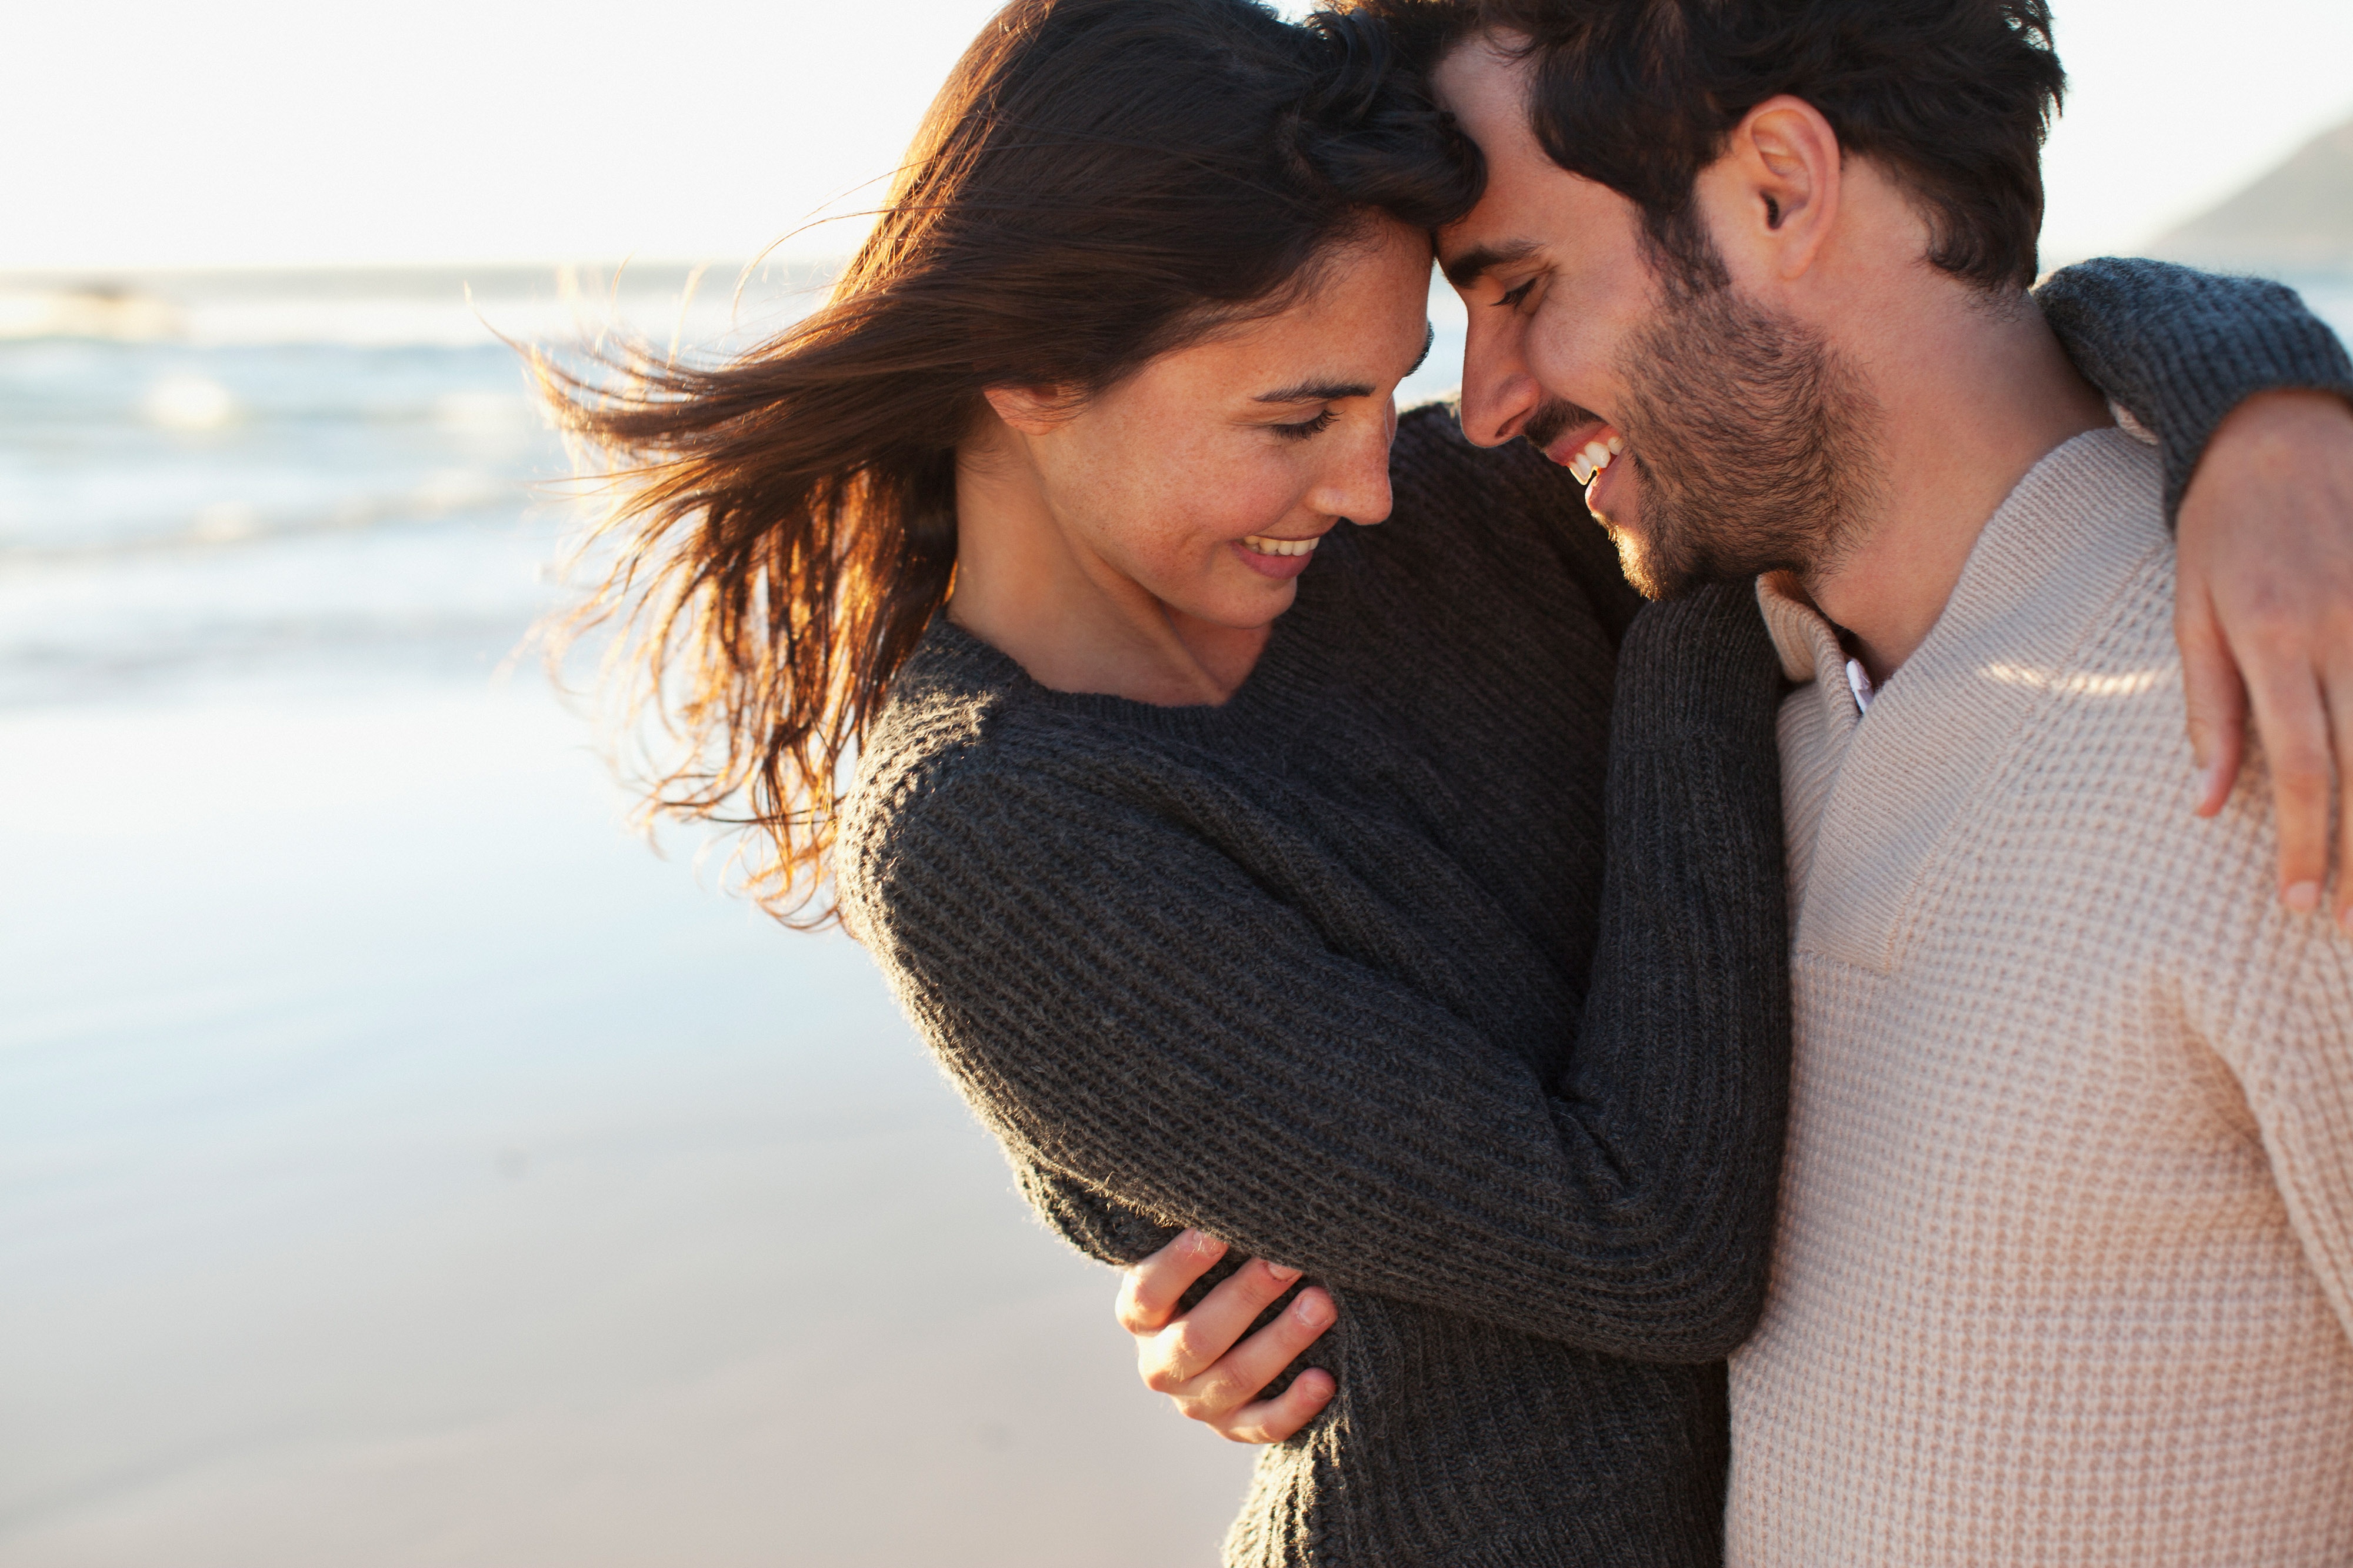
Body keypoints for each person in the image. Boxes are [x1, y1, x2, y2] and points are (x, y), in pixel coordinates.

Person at [541, 1, 2353, 1561]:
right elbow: (1627, 1235)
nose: (1416, 453)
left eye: (1482, 313)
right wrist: (1696, 628)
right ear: (1034, 368)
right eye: (1297, 416)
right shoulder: (1001, 823)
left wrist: (2269, 400)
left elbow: (1952, 369)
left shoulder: (2255, 698)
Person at [1354, 0, 2349, 1560]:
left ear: (1780, 186)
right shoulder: (1729, 711)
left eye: (1524, 287)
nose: (1483, 404)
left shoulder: (2286, 691)